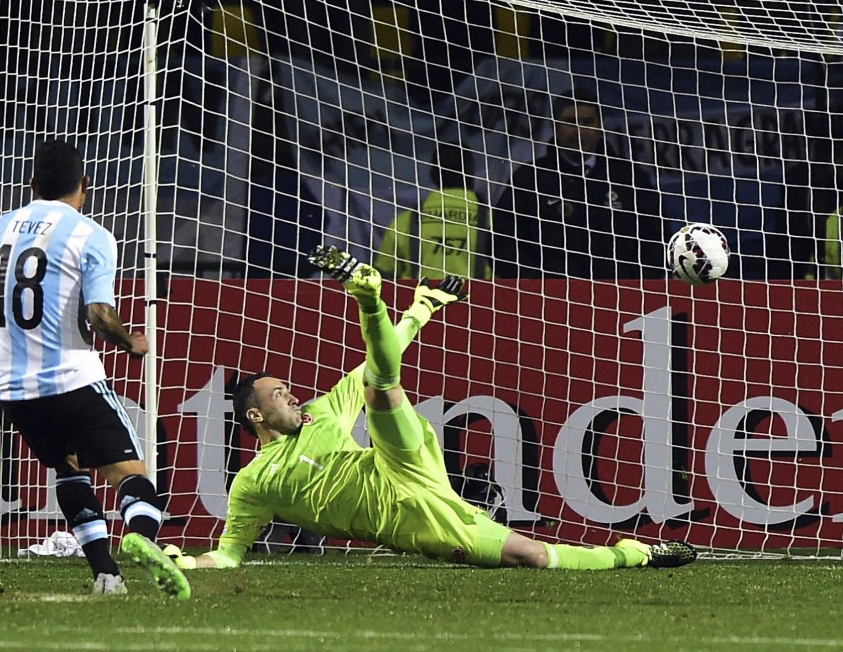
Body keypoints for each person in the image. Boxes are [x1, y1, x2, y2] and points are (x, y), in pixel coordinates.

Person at [162, 245, 697, 571]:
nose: (293, 394)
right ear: (255, 416)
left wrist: (405, 312)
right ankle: (637, 553)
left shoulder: (324, 411)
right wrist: (188, 562)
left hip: (399, 462)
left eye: (289, 388)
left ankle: (366, 294)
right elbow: (228, 554)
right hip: (412, 520)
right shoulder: (254, 483)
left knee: (377, 388)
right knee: (531, 558)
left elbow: (382, 361)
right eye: (279, 394)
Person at [0, 139, 190, 598]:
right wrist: (129, 341)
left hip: (13, 388)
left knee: (69, 469)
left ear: (32, 184)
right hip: (72, 379)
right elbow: (99, 315)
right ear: (85, 186)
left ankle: (105, 574)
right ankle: (142, 537)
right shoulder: (90, 234)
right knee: (132, 476)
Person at [493, 93, 666, 279]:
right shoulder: (529, 179)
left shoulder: (630, 178)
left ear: (600, 127)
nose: (579, 131)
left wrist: (635, 287)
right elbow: (504, 243)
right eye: (571, 122)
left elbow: (656, 239)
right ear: (555, 126)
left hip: (621, 299)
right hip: (549, 301)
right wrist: (537, 287)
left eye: (588, 122)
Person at [374, 143, 492, 280]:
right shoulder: (493, 222)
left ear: (432, 174)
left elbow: (384, 276)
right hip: (479, 301)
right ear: (471, 173)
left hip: (418, 300)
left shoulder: (404, 222)